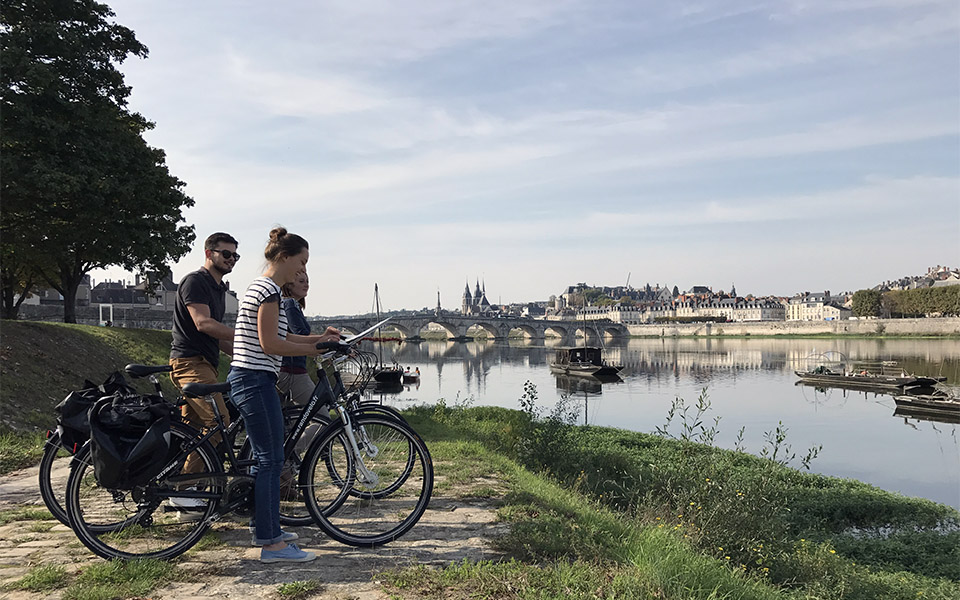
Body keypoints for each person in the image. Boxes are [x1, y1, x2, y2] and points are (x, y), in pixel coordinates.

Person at [227, 227, 340, 563]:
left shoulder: (265, 289)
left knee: (272, 458)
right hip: (254, 379)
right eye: (301, 262)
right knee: (270, 461)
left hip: (255, 378)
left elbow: (284, 334)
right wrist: (316, 351)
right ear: (285, 257)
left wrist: (320, 338)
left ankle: (267, 528)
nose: (302, 270)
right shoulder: (268, 292)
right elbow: (270, 344)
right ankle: (271, 544)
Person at [168, 232, 239, 516]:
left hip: (204, 363)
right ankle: (184, 492)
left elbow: (217, 338)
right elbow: (203, 324)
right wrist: (249, 333)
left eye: (235, 255)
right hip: (190, 363)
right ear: (209, 253)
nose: (231, 259)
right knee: (219, 421)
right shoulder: (195, 282)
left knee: (195, 431)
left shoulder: (218, 289)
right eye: (226, 254)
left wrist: (245, 351)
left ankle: (187, 488)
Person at [277, 272, 338, 405]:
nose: (306, 285)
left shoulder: (292, 305)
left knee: (296, 420)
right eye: (301, 281)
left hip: (289, 369)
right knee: (321, 418)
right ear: (289, 285)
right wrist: (326, 340)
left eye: (307, 282)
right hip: (292, 372)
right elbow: (301, 335)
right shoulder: (290, 303)